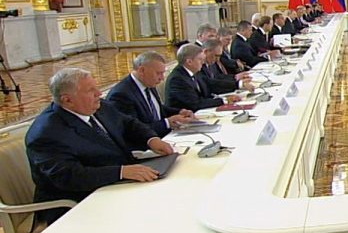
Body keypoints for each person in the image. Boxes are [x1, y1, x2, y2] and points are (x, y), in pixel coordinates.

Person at [27, 68, 176, 223]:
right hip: (78, 203)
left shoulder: (98, 106)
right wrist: (121, 172)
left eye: (96, 87)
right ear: (67, 100)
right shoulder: (46, 133)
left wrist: (151, 139)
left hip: (118, 185)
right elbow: (70, 176)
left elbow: (127, 123)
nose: (99, 94)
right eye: (90, 90)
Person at [106, 51, 195, 138]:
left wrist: (179, 112)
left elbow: (156, 109)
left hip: (163, 136)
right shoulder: (121, 95)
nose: (162, 78)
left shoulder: (147, 82)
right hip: (145, 143)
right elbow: (133, 131)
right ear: (142, 70)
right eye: (158, 73)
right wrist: (167, 123)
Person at [165, 44, 243, 111]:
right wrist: (224, 100)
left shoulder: (193, 71)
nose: (203, 62)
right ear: (189, 62)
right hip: (185, 118)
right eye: (200, 59)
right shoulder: (177, 79)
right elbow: (196, 104)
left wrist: (239, 84)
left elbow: (211, 83)